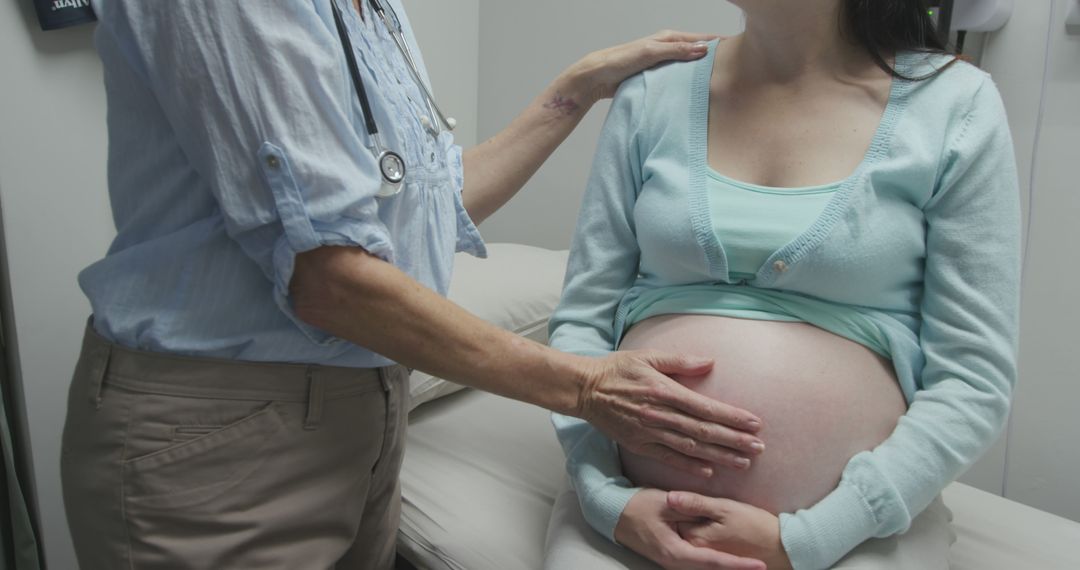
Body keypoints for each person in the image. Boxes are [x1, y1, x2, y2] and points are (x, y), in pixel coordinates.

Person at [59, 1, 766, 568]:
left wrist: (573, 92)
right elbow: (330, 279)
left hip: (364, 413)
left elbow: (424, 203)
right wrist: (584, 388)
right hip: (226, 434)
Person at [545, 0, 1021, 568]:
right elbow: (581, 323)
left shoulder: (955, 103)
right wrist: (606, 497)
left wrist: (814, 535)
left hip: (854, 532)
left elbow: (973, 379)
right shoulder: (652, 94)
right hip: (630, 516)